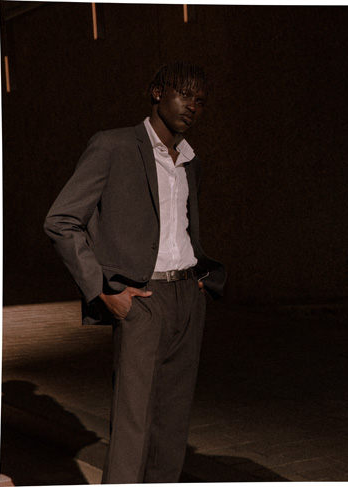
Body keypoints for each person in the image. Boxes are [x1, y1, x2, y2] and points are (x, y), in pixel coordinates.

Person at [44, 61, 226, 483]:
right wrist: (101, 289)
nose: (193, 106)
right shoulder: (114, 145)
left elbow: (180, 230)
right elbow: (61, 220)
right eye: (184, 94)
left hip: (188, 297)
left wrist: (198, 280)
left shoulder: (191, 161)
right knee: (133, 425)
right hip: (142, 301)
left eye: (200, 100)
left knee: (173, 424)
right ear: (157, 92)